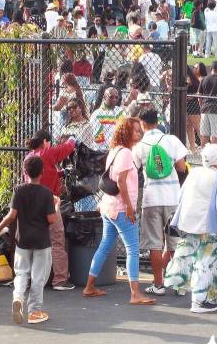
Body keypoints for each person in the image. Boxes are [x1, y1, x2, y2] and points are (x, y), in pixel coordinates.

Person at [83, 117, 156, 305]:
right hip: (121, 209)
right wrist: (130, 208)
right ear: (126, 132)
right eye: (136, 130)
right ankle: (135, 294)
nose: (139, 133)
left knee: (105, 246)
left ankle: (89, 286)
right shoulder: (125, 154)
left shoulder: (115, 151)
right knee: (133, 249)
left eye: (140, 130)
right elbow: (122, 182)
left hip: (109, 207)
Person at [163, 143, 217, 314]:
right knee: (206, 263)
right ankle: (199, 301)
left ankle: (199, 296)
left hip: (188, 223)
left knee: (193, 259)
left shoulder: (194, 172)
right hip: (208, 227)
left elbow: (180, 196)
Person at [0, 156, 57, 325]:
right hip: (41, 241)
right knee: (38, 276)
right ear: (42, 172)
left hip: (22, 240)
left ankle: (18, 298)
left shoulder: (18, 190)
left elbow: (12, 215)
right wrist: (56, 206)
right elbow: (51, 219)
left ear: (24, 172)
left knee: (21, 273)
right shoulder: (47, 193)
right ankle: (34, 311)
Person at [133, 108, 189, 296]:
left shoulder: (140, 146)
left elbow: (134, 170)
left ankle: (158, 285)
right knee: (176, 242)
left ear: (142, 124)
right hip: (173, 197)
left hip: (151, 199)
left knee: (155, 244)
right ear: (157, 121)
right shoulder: (171, 140)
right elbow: (182, 167)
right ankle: (180, 284)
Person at [24, 130, 76, 290]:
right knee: (56, 241)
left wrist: (60, 173)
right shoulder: (47, 152)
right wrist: (72, 139)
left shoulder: (29, 158)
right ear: (45, 141)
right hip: (50, 202)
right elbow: (66, 148)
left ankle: (30, 279)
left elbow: (44, 174)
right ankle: (60, 280)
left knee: (34, 243)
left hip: (32, 205)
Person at [198, 61, 217, 144]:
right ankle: (214, 154)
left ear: (211, 69)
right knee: (215, 134)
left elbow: (199, 95)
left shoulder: (204, 79)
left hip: (205, 108)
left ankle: (204, 154)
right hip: (216, 109)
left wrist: (201, 105)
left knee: (204, 134)